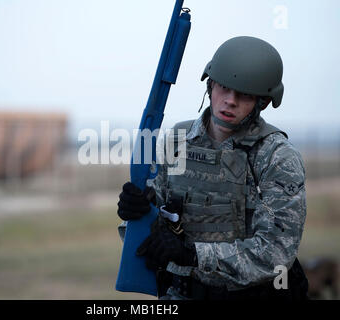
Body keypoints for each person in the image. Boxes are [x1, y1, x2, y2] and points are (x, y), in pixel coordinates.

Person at [117, 36, 309, 300]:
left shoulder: (276, 156)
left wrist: (193, 254)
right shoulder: (176, 141)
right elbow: (151, 230)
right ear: (210, 85)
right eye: (224, 88)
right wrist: (137, 212)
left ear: (262, 101)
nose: (230, 100)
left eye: (244, 94)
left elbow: (275, 253)